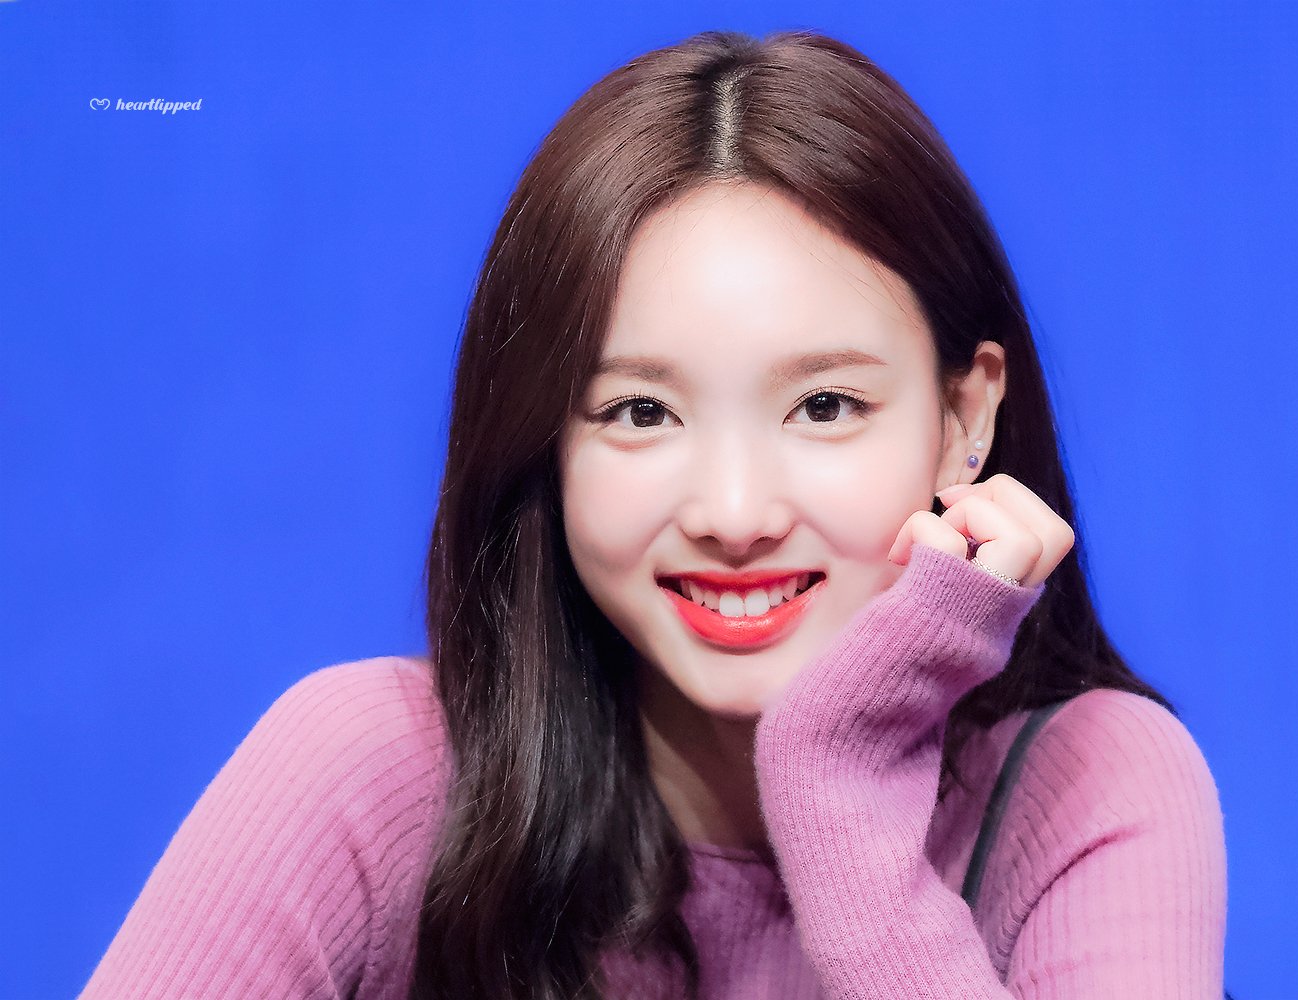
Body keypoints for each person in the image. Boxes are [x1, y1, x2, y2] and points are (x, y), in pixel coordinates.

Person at [79, 28, 1228, 1000]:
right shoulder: (369, 774)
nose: (733, 512)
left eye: (825, 405)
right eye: (641, 411)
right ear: (547, 437)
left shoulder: (1090, 787)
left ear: (963, 417)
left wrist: (838, 791)